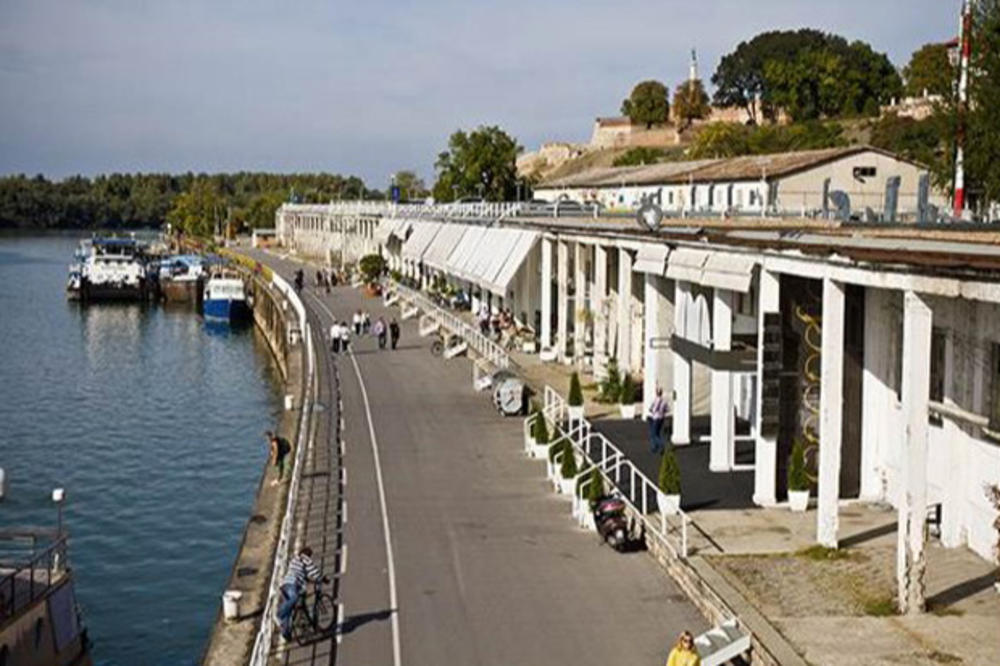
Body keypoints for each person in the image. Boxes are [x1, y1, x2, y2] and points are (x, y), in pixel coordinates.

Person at [276, 546, 327, 641]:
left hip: (285, 584)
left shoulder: (294, 559)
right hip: (293, 584)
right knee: (294, 598)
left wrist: (306, 578)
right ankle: (280, 614)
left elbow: (299, 572)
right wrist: (322, 578)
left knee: (290, 608)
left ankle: (286, 632)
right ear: (308, 554)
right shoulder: (306, 560)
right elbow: (315, 573)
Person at [646, 387, 668, 454]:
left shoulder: (655, 400)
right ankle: (654, 447)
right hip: (661, 418)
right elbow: (667, 409)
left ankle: (661, 445)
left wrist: (652, 411)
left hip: (655, 418)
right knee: (657, 433)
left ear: (656, 393)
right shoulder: (664, 401)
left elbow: (652, 409)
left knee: (653, 434)